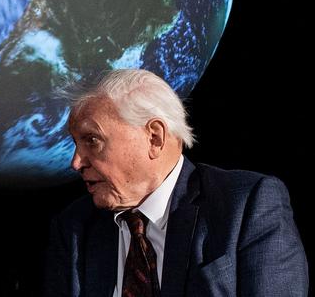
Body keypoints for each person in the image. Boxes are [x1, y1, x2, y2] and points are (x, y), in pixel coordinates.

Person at [43, 69, 308, 296]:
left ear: (154, 137)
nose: (76, 162)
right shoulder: (74, 228)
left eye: (92, 140)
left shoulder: (246, 206)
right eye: (75, 143)